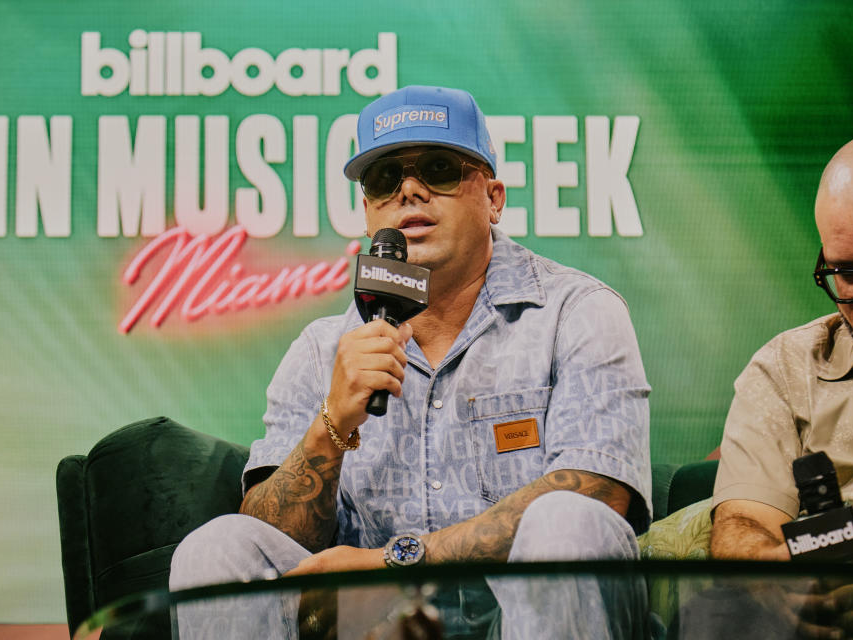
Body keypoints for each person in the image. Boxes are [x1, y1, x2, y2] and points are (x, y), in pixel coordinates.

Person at [170, 85, 652, 639]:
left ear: (493, 198)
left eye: (439, 168)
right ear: (368, 209)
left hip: (519, 615)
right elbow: (267, 537)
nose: (410, 190)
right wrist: (332, 427)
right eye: (384, 179)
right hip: (373, 627)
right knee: (216, 548)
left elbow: (599, 491)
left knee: (568, 522)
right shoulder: (324, 349)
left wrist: (400, 560)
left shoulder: (577, 312)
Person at [706, 129, 853, 638]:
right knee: (712, 610)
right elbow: (743, 525)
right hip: (822, 626)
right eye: (849, 273)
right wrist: (775, 578)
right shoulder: (785, 369)